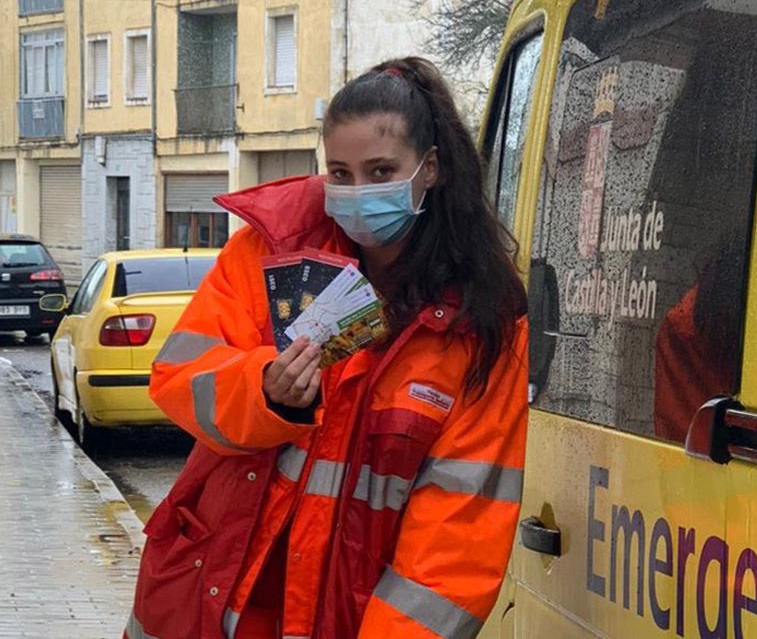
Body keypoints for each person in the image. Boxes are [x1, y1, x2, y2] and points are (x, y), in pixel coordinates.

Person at [124, 57, 529, 639]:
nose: (357, 191)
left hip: (350, 615)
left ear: (430, 168)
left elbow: (456, 541)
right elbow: (180, 377)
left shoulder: (483, 319)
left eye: (380, 170)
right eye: (339, 172)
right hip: (207, 598)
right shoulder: (267, 249)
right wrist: (265, 390)